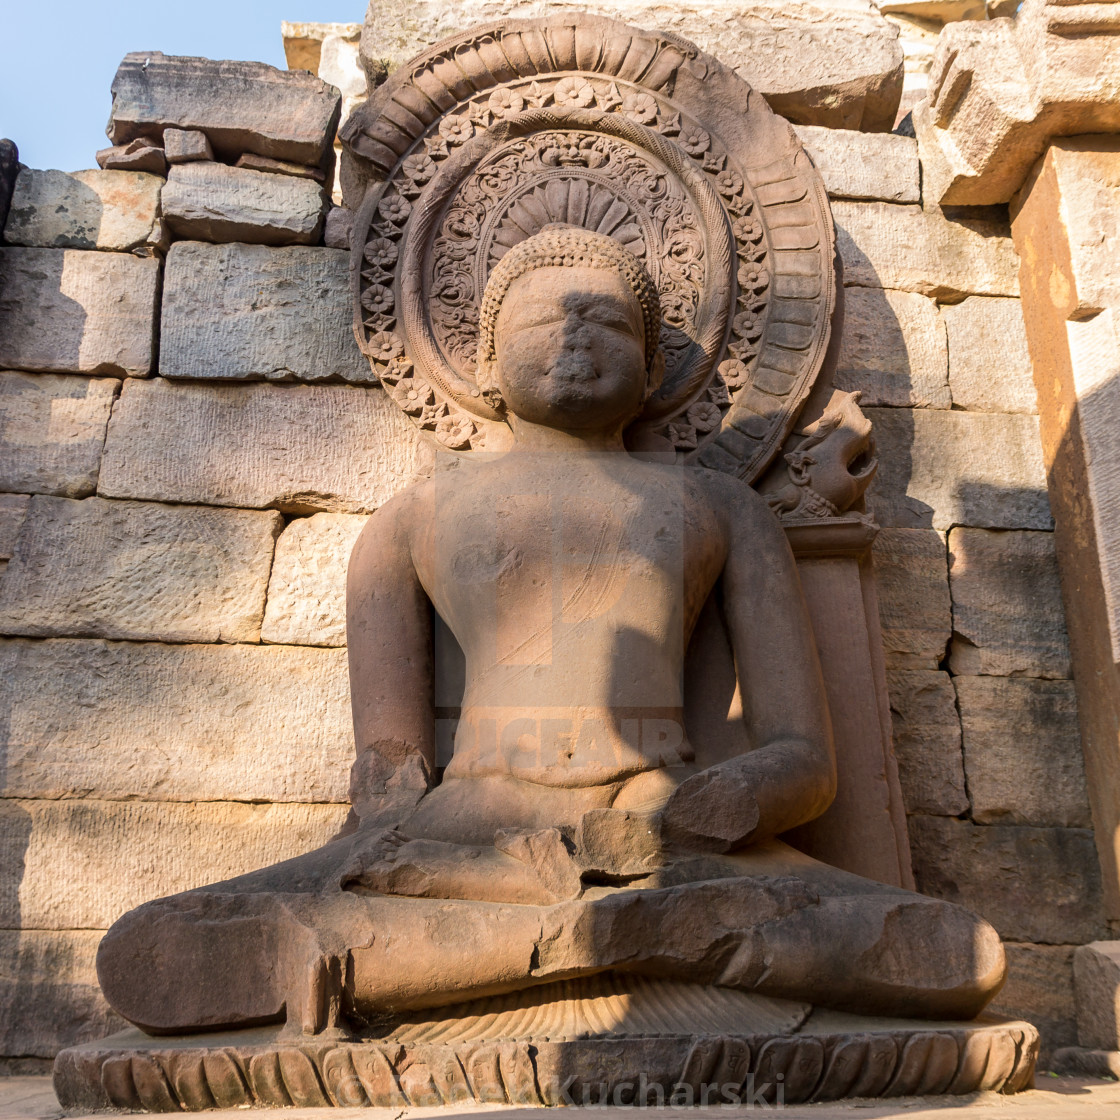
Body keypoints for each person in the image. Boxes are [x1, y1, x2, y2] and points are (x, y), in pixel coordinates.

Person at [97, 226, 1004, 1037]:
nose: (574, 335)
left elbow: (805, 762)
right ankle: (632, 939)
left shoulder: (716, 504)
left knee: (958, 953)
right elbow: (388, 771)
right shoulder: (413, 517)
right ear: (484, 368)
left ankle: (485, 957)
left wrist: (710, 811)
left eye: (608, 323)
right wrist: (393, 834)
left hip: (659, 827)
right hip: (465, 834)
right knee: (157, 949)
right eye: (541, 323)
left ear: (654, 373)